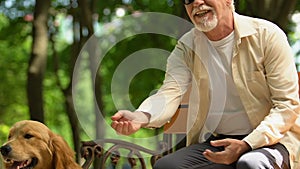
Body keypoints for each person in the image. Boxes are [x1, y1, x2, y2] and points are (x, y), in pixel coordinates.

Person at [111, 0, 300, 168]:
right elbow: (169, 92)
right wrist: (141, 116)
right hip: (218, 143)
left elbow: (287, 105)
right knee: (166, 165)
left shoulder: (266, 35)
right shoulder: (187, 46)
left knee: (250, 164)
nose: (197, 3)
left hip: (271, 141)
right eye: (188, 0)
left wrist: (247, 144)